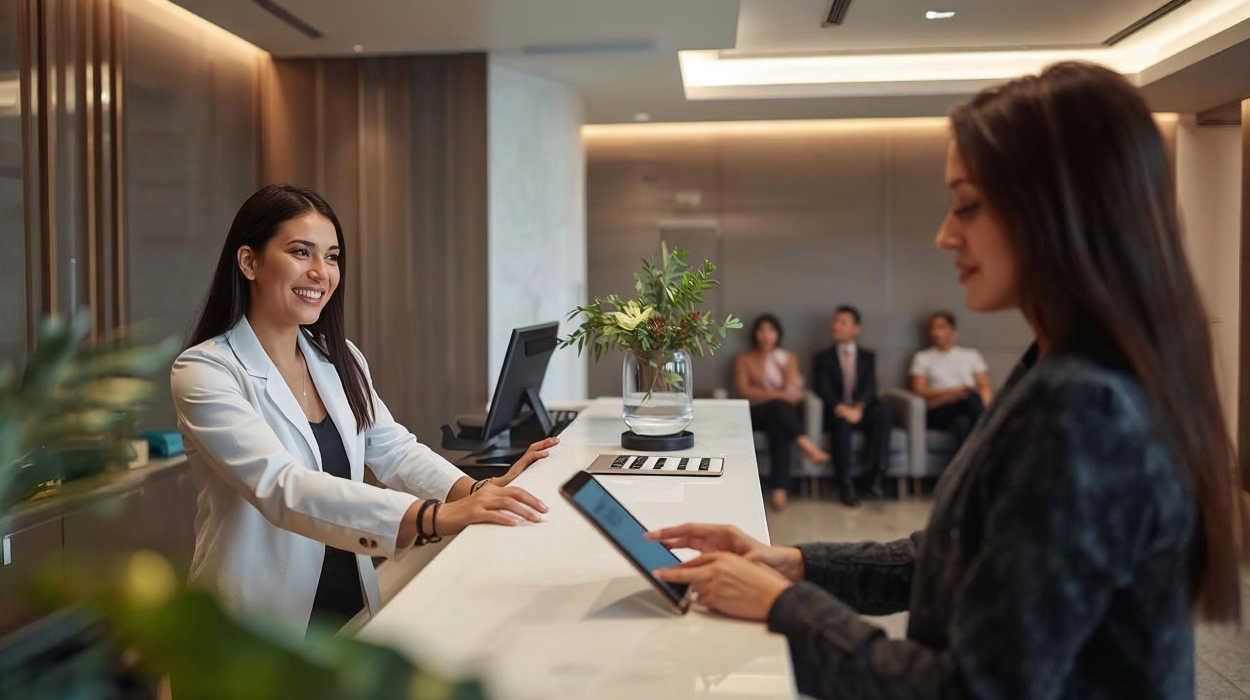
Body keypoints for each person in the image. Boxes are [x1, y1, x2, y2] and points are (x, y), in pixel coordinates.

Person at [648, 63, 1250, 699]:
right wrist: (793, 563)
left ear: (1059, 208)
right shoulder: (1071, 367)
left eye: (967, 205)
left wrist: (784, 607)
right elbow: (963, 552)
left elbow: (970, 691)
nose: (944, 234)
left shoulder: (1082, 406)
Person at [172, 184, 556, 633]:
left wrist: (472, 493)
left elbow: (393, 449)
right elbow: (280, 488)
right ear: (249, 262)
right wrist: (430, 517)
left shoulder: (340, 358)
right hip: (250, 629)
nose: (321, 273)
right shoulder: (205, 371)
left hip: (346, 609)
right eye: (301, 252)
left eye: (332, 257)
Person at [735, 314, 831, 512]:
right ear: (755, 334)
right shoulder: (745, 359)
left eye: (771, 330)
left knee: (778, 423)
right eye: (761, 330)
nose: (766, 335)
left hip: (778, 417)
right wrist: (779, 395)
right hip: (754, 413)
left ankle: (779, 489)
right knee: (777, 406)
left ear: (778, 334)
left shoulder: (788, 358)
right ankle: (806, 446)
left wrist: (785, 367)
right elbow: (744, 391)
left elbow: (795, 394)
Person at [811, 306, 892, 507]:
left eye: (842, 322)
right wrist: (841, 408)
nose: (835, 326)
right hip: (837, 411)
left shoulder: (868, 356)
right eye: (835, 322)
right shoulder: (823, 357)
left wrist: (859, 408)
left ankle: (875, 474)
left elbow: (870, 387)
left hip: (862, 410)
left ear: (856, 328)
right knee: (840, 424)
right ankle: (845, 483)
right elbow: (822, 389)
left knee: (884, 413)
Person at [909, 311, 993, 453]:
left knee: (962, 424)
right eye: (932, 328)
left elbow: (985, 386)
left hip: (969, 408)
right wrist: (952, 393)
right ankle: (991, 433)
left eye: (941, 327)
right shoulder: (922, 357)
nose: (936, 332)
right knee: (969, 400)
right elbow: (919, 390)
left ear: (953, 332)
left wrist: (985, 405)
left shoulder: (971, 355)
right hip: (938, 409)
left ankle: (963, 472)